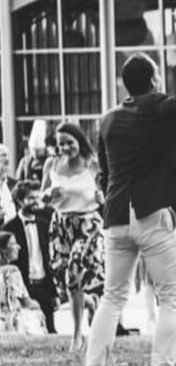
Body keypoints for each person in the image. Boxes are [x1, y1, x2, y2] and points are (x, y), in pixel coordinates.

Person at [80, 20, 176, 366]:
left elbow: (105, 174)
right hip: (151, 213)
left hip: (115, 217)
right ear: (154, 80)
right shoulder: (159, 107)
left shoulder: (107, 120)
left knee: (112, 297)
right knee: (171, 295)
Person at [43, 122, 105, 352]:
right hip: (61, 225)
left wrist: (101, 199)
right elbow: (43, 199)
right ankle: (88, 301)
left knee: (73, 273)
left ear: (79, 140)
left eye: (70, 142)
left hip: (87, 223)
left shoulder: (93, 164)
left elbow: (105, 196)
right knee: (63, 277)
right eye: (61, 144)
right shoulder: (52, 164)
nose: (66, 148)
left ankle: (77, 334)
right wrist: (49, 194)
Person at [4, 180, 57, 334]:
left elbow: (49, 260)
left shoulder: (44, 223)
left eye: (37, 198)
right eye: (31, 198)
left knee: (50, 330)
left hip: (44, 284)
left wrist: (54, 293)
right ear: (20, 201)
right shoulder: (9, 228)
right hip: (23, 285)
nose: (35, 202)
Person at [0, 231, 42, 334]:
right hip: (8, 321)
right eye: (13, 244)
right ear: (3, 250)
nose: (18, 247)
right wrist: (37, 304)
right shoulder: (12, 271)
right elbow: (26, 303)